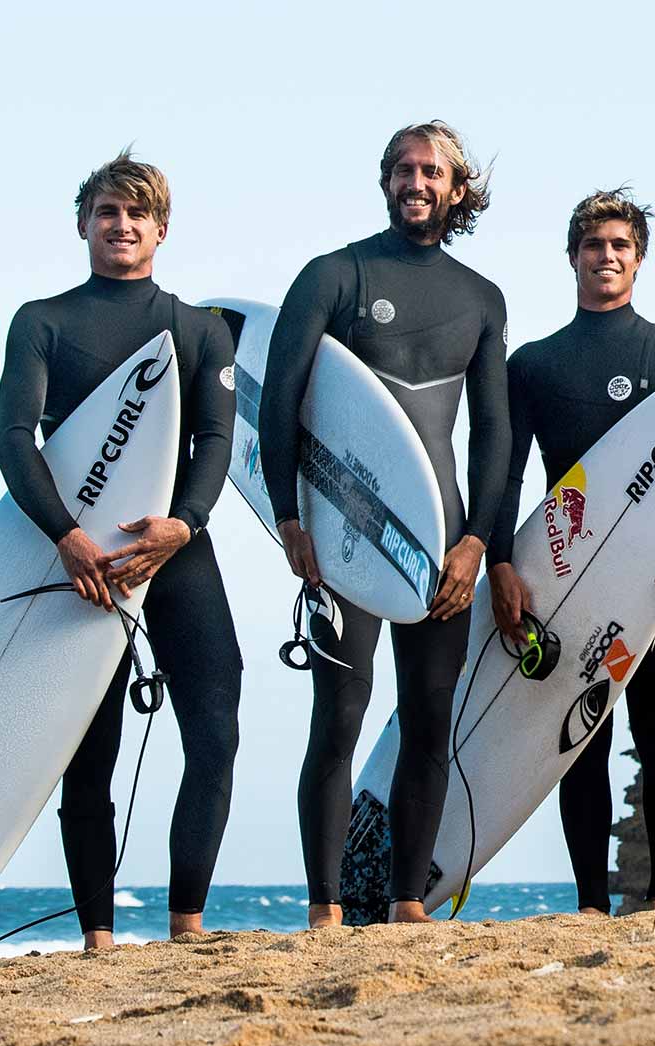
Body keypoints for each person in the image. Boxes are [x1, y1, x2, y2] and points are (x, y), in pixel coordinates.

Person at [263, 121, 509, 926]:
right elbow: (279, 402)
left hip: (442, 543)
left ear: (456, 189)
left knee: (429, 719)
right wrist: (290, 517)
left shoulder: (481, 298)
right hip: (346, 540)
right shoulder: (333, 275)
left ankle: (407, 904)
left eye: (431, 170)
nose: (416, 181)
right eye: (403, 169)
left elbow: (494, 433)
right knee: (338, 714)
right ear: (384, 180)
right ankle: (324, 906)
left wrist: (477, 542)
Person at [0, 152, 240, 947]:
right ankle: (97, 931)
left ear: (161, 229)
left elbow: (215, 438)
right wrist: (65, 536)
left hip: (174, 551)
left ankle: (187, 920)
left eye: (137, 214)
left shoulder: (199, 329)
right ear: (83, 224)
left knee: (216, 732)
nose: (122, 226)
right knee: (87, 748)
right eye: (107, 212)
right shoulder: (43, 321)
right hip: (84, 558)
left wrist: (187, 524)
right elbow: (12, 442)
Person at [489, 188, 655, 915]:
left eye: (620, 246)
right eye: (594, 246)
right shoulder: (535, 364)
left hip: (654, 585)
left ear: (639, 259)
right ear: (573, 257)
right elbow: (504, 470)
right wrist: (501, 562)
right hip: (564, 576)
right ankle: (590, 901)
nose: (606, 257)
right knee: (577, 740)